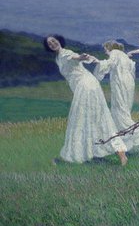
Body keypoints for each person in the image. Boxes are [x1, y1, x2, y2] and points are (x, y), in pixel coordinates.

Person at [43, 35, 126, 165]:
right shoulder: (58, 58)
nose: (52, 44)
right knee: (98, 118)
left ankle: (75, 156)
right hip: (87, 85)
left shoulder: (65, 53)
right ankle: (115, 153)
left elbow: (75, 57)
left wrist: (82, 57)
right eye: (49, 43)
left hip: (86, 85)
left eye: (54, 41)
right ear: (48, 47)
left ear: (59, 41)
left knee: (82, 119)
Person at [92, 40, 139, 153]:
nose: (105, 52)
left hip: (120, 83)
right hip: (128, 83)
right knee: (123, 111)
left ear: (109, 48)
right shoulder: (124, 55)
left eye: (105, 49)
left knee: (120, 113)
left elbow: (109, 64)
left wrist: (98, 62)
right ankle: (126, 142)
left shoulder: (114, 53)